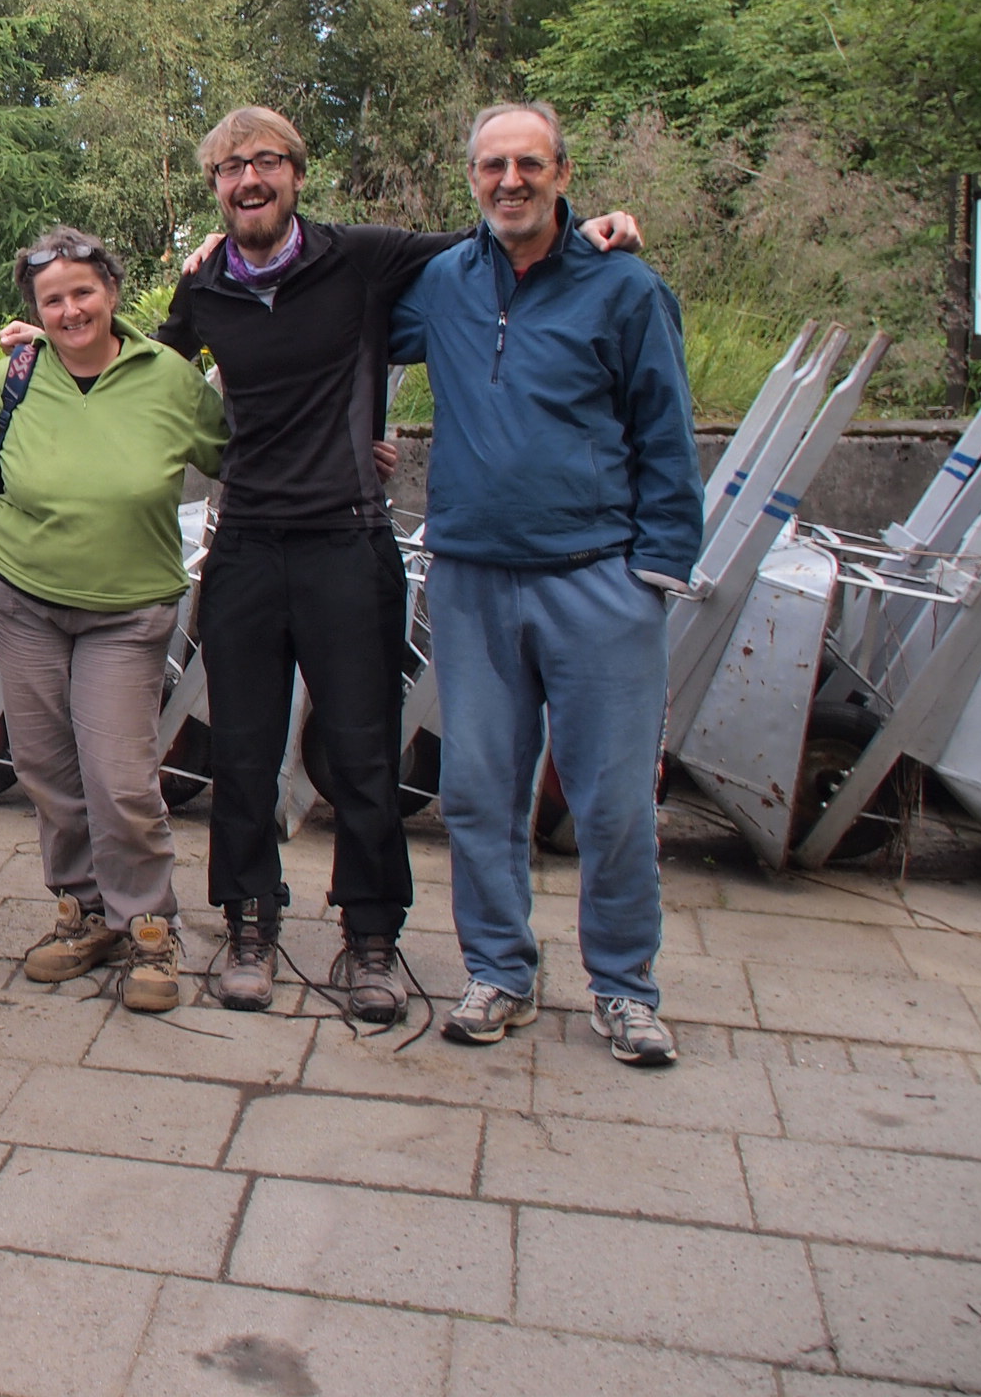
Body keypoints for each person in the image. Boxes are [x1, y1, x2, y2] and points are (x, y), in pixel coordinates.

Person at [147, 107, 642, 1022]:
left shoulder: (364, 257)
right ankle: (249, 925)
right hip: (247, 543)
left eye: (267, 162)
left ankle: (371, 937)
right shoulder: (204, 284)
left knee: (362, 755)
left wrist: (592, 229)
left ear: (298, 174)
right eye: (230, 167)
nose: (250, 180)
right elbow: (146, 374)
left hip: (348, 541)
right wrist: (40, 354)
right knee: (244, 753)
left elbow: (497, 242)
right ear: (214, 186)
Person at [391, 102, 701, 1067]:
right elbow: (328, 317)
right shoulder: (444, 283)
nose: (510, 181)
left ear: (563, 173)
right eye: (492, 166)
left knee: (612, 803)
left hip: (597, 579)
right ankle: (500, 972)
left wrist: (656, 570)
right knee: (479, 794)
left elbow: (667, 432)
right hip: (475, 578)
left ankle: (624, 988)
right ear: (472, 179)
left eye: (529, 163)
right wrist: (220, 267)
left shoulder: (625, 287)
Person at [0, 229, 227, 1011]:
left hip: (127, 611)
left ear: (111, 290)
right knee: (46, 769)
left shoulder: (169, 377)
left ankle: (150, 927)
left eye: (82, 292)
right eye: (53, 299)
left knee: (120, 778)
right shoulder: (15, 375)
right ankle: (85, 912)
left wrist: (356, 448)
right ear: (34, 311)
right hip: (23, 598)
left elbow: (236, 452)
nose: (70, 309)